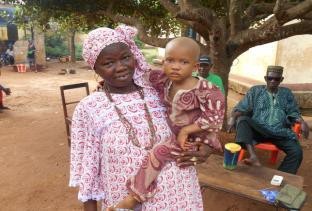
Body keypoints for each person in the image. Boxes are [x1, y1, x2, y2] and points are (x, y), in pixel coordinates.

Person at [70, 25, 213, 211]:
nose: (121, 67)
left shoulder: (160, 89)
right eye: (108, 63)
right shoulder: (89, 108)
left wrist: (206, 146)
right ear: (94, 67)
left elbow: (195, 116)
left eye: (125, 57)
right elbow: (88, 174)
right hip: (126, 202)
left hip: (180, 196)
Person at [113, 37, 225, 210]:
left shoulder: (206, 89)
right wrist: (110, 79)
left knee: (159, 151)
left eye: (183, 62)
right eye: (170, 60)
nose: (175, 66)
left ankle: (134, 196)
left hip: (196, 139)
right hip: (176, 136)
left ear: (195, 67)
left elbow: (215, 118)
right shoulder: (164, 80)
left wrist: (186, 130)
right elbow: (140, 69)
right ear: (163, 61)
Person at [227, 65, 309, 174]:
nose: (273, 81)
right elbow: (241, 108)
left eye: (277, 79)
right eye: (270, 78)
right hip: (259, 129)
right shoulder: (255, 91)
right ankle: (253, 156)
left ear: (281, 80)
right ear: (266, 78)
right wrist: (233, 117)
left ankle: (281, 178)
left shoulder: (286, 93)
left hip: (280, 132)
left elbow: (293, 111)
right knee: (243, 120)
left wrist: (302, 121)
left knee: (297, 152)